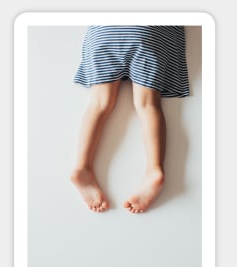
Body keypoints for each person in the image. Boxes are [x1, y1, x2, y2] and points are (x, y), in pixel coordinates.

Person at [70, 25, 190, 213]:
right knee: (148, 105)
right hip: (150, 32)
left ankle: (82, 167)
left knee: (99, 104)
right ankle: (154, 170)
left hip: (104, 32)